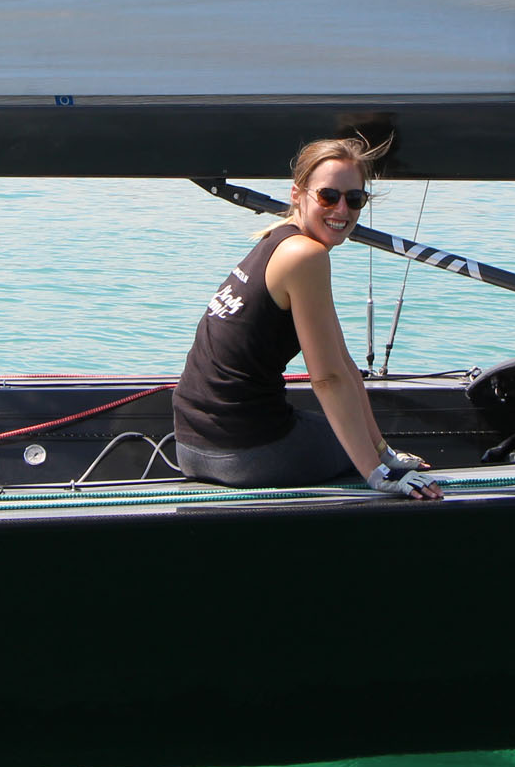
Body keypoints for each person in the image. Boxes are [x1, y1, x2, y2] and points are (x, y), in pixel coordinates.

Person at [173, 136, 439, 498]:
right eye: (328, 196)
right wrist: (378, 474)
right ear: (298, 195)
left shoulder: (279, 241)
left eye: (355, 199)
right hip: (243, 452)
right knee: (345, 444)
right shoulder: (306, 255)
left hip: (191, 446)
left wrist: (384, 452)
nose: (342, 210)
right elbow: (327, 379)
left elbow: (344, 365)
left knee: (341, 434)